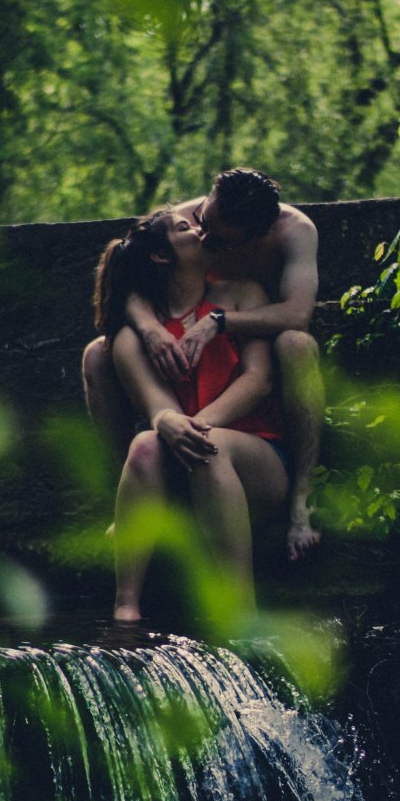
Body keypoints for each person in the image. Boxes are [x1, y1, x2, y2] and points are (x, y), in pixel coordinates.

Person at [83, 170, 323, 560]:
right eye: (200, 224)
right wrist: (149, 329)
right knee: (98, 352)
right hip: (185, 368)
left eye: (218, 238)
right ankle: (125, 493)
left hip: (254, 364)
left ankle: (302, 501)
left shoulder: (294, 232)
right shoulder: (187, 220)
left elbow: (297, 315)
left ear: (255, 236)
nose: (203, 237)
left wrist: (219, 323)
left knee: (298, 346)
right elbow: (126, 271)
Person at [93, 208, 291, 622]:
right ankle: (125, 606)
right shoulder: (136, 333)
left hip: (257, 462)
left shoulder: (242, 294)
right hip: (182, 465)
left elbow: (259, 380)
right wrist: (165, 420)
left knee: (209, 444)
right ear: (162, 257)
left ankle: (240, 608)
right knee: (145, 444)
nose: (200, 229)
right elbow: (155, 401)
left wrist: (197, 425)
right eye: (185, 228)